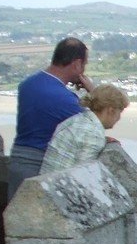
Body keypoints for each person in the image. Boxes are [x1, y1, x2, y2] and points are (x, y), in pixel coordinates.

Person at [7, 38, 94, 199]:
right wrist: (93, 92)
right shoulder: (64, 98)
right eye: (83, 65)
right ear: (76, 64)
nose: (83, 71)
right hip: (39, 165)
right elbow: (94, 126)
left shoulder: (28, 84)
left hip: (18, 160)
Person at [41, 85, 129, 174]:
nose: (119, 118)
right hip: (60, 185)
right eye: (120, 112)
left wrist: (103, 140)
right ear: (111, 110)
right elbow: (84, 175)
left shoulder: (77, 120)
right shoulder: (93, 133)